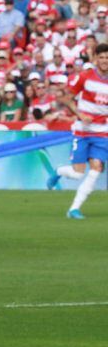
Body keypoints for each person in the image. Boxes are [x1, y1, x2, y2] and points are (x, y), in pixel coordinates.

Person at [46, 43, 108, 219]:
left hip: (102, 132)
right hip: (82, 130)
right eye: (101, 57)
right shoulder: (85, 77)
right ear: (95, 59)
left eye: (107, 57)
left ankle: (74, 209)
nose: (104, 61)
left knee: (96, 169)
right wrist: (81, 114)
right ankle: (58, 171)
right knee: (77, 173)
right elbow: (66, 98)